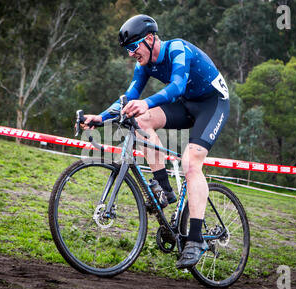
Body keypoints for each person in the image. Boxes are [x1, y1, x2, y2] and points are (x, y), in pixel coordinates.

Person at [83, 14, 230, 269]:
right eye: (128, 49)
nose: (131, 54)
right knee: (140, 121)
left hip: (212, 103)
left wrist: (146, 102)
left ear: (150, 39)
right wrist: (101, 117)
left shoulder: (177, 49)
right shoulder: (144, 64)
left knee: (191, 164)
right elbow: (129, 97)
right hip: (185, 104)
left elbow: (177, 86)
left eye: (133, 47)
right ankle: (164, 189)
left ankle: (196, 239)